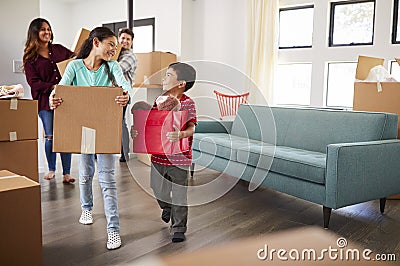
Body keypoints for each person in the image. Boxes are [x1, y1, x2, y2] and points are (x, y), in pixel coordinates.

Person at [50, 27, 132, 250]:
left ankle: (113, 230)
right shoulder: (76, 66)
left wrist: (125, 95)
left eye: (116, 47)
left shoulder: (112, 66)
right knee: (85, 175)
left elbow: (125, 86)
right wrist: (53, 99)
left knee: (107, 179)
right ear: (96, 42)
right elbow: (60, 90)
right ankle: (87, 207)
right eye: (111, 45)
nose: (114, 50)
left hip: (104, 128)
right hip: (84, 130)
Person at [132, 62, 197, 242]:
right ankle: (166, 207)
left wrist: (181, 134)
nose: (164, 78)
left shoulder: (188, 104)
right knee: (157, 189)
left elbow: (192, 127)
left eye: (168, 75)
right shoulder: (159, 100)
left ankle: (178, 228)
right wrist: (137, 130)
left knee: (179, 194)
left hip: (180, 158)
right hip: (159, 156)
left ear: (181, 83)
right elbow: (151, 123)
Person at [23, 17, 76, 183]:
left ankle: (67, 173)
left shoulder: (60, 50)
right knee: (51, 135)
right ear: (35, 33)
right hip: (45, 102)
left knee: (65, 136)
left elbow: (75, 61)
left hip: (65, 100)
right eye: (42, 29)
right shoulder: (30, 58)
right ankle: (51, 169)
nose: (47, 32)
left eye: (48, 29)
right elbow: (34, 83)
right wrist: (53, 87)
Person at [117, 28, 138, 162]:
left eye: (128, 39)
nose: (125, 41)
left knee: (120, 122)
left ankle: (125, 153)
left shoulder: (130, 56)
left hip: (123, 93)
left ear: (131, 42)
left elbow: (118, 69)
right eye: (123, 38)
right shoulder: (117, 54)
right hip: (113, 92)